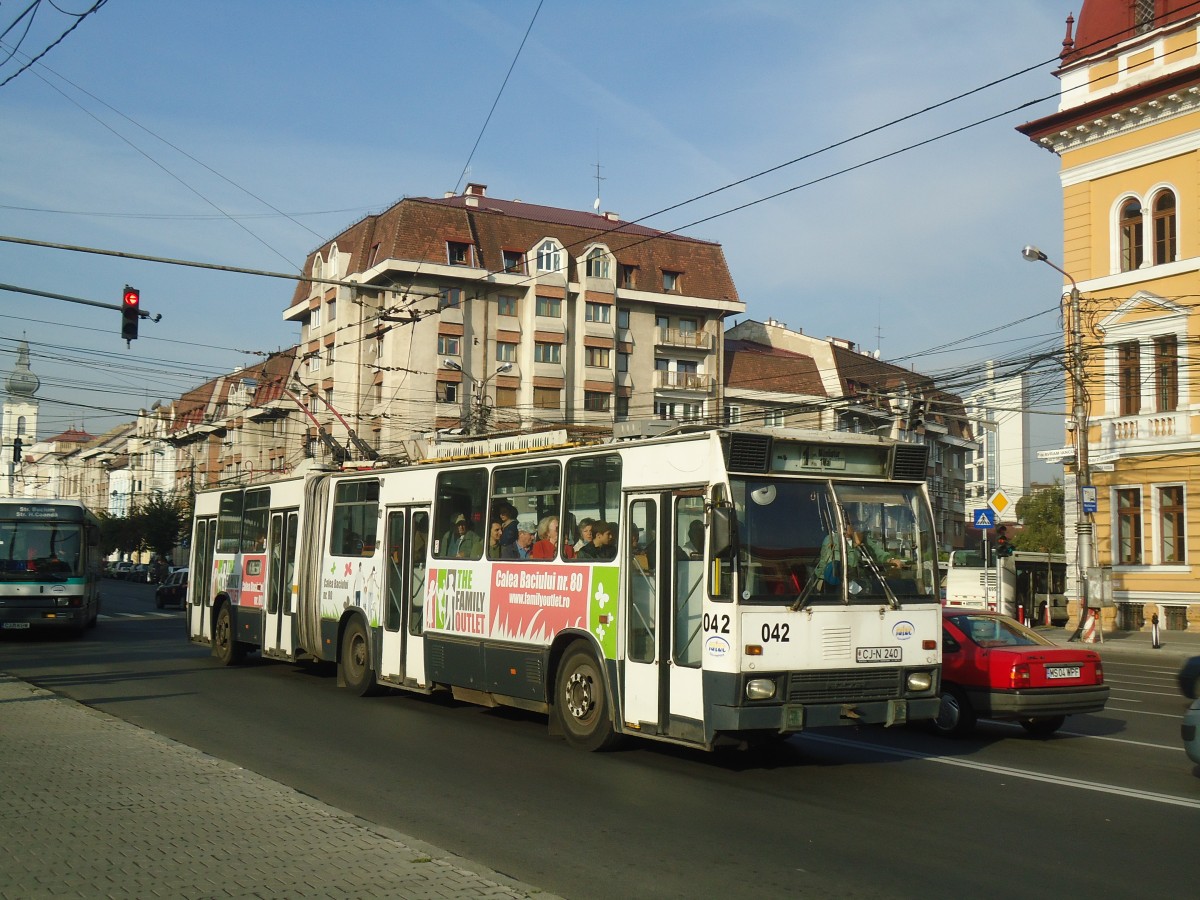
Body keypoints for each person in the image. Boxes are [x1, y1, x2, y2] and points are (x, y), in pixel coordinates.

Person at [815, 519, 895, 586]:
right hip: (831, 584)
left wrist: (890, 560)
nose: (857, 527)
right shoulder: (831, 539)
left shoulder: (860, 538)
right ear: (842, 525)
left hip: (855, 583)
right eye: (853, 524)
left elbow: (876, 551)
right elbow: (838, 566)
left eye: (858, 524)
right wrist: (856, 546)